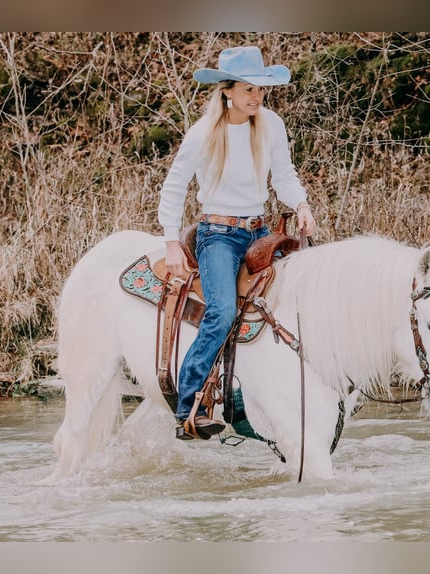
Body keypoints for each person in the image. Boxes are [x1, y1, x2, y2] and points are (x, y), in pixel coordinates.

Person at [156, 46, 317, 440]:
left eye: (261, 89)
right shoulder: (203, 133)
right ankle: (191, 404)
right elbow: (173, 188)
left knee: (304, 296)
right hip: (219, 235)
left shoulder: (271, 124)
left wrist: (301, 203)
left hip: (260, 231)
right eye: (249, 89)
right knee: (223, 311)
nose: (257, 97)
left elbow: (284, 174)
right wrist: (171, 242)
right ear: (227, 91)